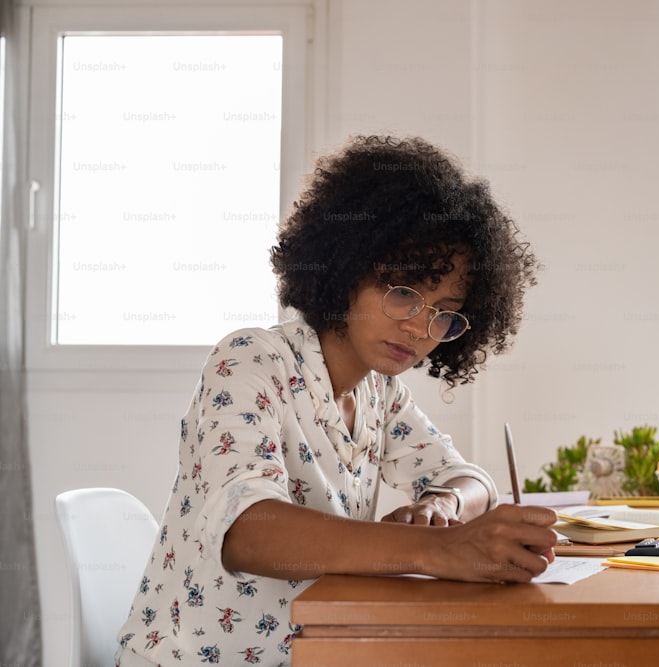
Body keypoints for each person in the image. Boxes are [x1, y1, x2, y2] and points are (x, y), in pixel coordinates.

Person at [115, 135, 558, 666]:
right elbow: (247, 533)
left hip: (318, 651)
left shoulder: (379, 392)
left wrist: (442, 506)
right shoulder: (251, 360)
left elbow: (470, 479)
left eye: (444, 312)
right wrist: (439, 549)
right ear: (346, 269)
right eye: (402, 291)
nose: (420, 327)